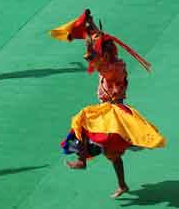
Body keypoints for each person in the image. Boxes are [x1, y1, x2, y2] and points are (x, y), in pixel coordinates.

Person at [51, 11, 165, 199]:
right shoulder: (109, 63)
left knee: (88, 126)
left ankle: (85, 162)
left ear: (105, 55)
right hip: (106, 110)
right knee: (105, 147)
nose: (91, 58)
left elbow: (96, 61)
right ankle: (112, 178)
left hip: (114, 112)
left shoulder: (114, 69)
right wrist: (91, 24)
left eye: (97, 54)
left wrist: (90, 46)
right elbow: (98, 43)